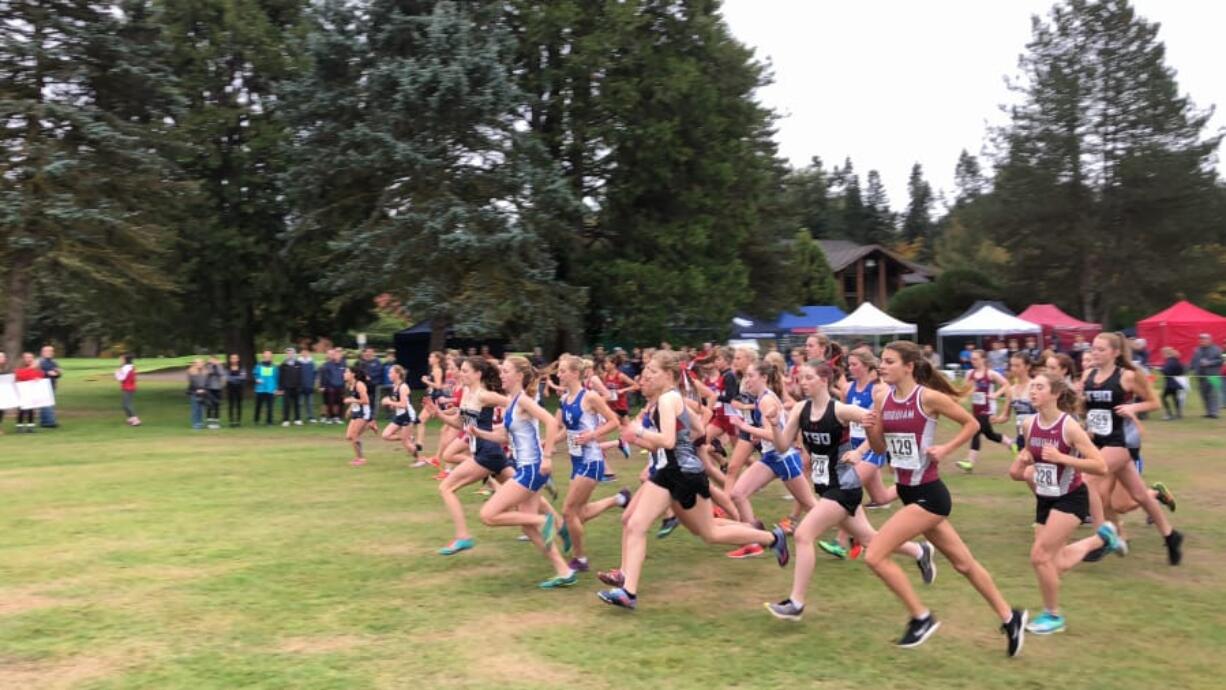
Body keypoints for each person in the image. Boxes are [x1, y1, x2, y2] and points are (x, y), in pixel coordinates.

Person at [865, 341, 1027, 655]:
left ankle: (921, 618)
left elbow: (973, 423)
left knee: (874, 555)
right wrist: (872, 426)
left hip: (929, 496)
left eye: (888, 361)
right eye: (881, 362)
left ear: (908, 366)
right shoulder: (883, 397)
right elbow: (880, 449)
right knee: (965, 565)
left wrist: (945, 449)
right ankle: (1011, 618)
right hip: (908, 492)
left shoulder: (928, 398)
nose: (881, 367)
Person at [596, 350, 790, 611]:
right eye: (646, 370)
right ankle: (626, 585)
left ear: (669, 374)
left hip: (684, 475)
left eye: (652, 371)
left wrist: (640, 431)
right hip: (671, 472)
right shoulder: (670, 400)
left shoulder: (668, 400)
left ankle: (771, 538)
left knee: (706, 532)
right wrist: (641, 438)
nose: (646, 375)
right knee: (636, 523)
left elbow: (667, 441)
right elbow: (697, 429)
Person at [764, 360, 935, 621]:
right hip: (827, 486)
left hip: (845, 486)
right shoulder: (800, 409)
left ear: (824, 380)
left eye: (809, 377)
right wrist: (775, 425)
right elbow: (783, 444)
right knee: (869, 539)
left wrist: (860, 450)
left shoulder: (841, 410)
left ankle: (796, 602)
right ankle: (920, 551)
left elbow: (877, 423)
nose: (803, 382)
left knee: (803, 534)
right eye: (801, 378)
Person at [1009, 372, 1124, 635]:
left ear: (1055, 394)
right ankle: (1101, 539)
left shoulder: (1069, 426)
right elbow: (1017, 472)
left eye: (1039, 387)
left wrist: (1064, 458)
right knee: (1054, 564)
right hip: (1044, 498)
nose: (1033, 392)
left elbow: (1100, 464)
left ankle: (1053, 616)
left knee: (1039, 557)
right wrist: (1023, 462)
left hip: (1071, 497)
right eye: (1032, 387)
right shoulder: (1028, 424)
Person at [475, 356, 579, 588]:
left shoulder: (523, 400)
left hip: (532, 470)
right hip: (528, 469)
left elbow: (552, 422)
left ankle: (543, 519)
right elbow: (503, 435)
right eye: (501, 370)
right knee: (527, 527)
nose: (501, 374)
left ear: (519, 376)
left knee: (488, 515)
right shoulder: (513, 402)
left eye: (505, 371)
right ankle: (564, 572)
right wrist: (479, 433)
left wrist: (548, 457)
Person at [1081, 333, 1183, 564]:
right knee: (1137, 495)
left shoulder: (1127, 376)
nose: (1095, 353)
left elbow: (1154, 402)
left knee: (1086, 481)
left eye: (1101, 349)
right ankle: (1171, 536)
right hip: (1099, 441)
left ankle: (1100, 540)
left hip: (1123, 440)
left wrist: (1133, 408)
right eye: (1093, 348)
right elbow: (1089, 409)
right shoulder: (1088, 375)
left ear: (1115, 352)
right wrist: (1085, 426)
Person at [725, 360, 817, 558]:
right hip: (770, 458)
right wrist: (757, 433)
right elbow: (775, 430)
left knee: (812, 505)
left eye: (751, 376)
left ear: (764, 378)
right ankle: (754, 541)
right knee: (738, 494)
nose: (746, 380)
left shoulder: (766, 400)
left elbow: (772, 434)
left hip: (783, 459)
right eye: (746, 376)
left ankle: (855, 534)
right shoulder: (761, 399)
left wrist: (745, 427)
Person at [557, 355, 632, 573]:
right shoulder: (564, 399)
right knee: (578, 513)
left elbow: (613, 421)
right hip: (576, 460)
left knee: (568, 512)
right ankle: (620, 498)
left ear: (574, 373)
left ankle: (580, 559)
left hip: (591, 461)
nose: (559, 375)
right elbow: (566, 431)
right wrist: (547, 442)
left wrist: (592, 435)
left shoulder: (589, 397)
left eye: (562, 371)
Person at [432, 356, 515, 555]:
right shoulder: (468, 393)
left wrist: (508, 428)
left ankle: (463, 537)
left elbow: (517, 403)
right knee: (522, 491)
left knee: (446, 487)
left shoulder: (485, 395)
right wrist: (440, 414)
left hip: (487, 452)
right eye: (461, 370)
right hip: (487, 452)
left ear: (478, 374)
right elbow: (462, 425)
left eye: (466, 370)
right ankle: (556, 522)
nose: (461, 373)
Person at [956, 350, 1014, 472]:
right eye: (972, 359)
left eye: (976, 359)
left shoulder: (991, 374)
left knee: (975, 430)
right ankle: (1011, 444)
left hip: (988, 409)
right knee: (990, 435)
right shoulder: (970, 374)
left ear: (983, 359)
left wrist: (996, 394)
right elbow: (965, 389)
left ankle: (970, 462)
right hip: (976, 409)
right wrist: (964, 395)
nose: (973, 361)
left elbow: (1006, 384)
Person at [380, 365, 421, 460]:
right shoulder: (395, 386)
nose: (388, 374)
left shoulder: (403, 387)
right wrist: (390, 404)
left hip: (407, 415)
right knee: (386, 435)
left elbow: (403, 404)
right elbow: (397, 403)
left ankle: (420, 459)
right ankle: (408, 438)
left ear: (397, 374)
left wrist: (388, 401)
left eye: (391, 372)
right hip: (399, 415)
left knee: (405, 442)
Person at [342, 366, 376, 466]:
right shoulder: (350, 385)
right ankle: (370, 426)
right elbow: (356, 398)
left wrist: (351, 400)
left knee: (354, 435)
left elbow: (366, 401)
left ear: (353, 374)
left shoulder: (359, 384)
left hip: (364, 413)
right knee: (349, 436)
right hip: (356, 412)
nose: (344, 374)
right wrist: (350, 409)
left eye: (346, 372)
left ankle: (360, 458)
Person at [1191, 333, 1222, 418]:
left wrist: (1209, 363)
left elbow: (1221, 361)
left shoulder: (1217, 349)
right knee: (1204, 394)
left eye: (1204, 339)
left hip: (1214, 375)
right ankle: (1209, 412)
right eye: (1200, 340)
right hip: (1201, 376)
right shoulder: (1197, 350)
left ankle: (1214, 413)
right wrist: (1191, 368)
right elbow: (1193, 361)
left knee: (1213, 394)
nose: (1202, 341)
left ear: (1209, 340)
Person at [14, 352, 45, 432]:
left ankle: (30, 426)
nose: (29, 359)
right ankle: (19, 427)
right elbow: (20, 375)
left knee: (31, 409)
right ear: (23, 359)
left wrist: (38, 378)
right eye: (27, 357)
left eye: (31, 357)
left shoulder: (36, 369)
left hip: (32, 392)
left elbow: (41, 375)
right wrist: (30, 368)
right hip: (22, 392)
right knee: (22, 409)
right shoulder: (19, 368)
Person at [319, 348, 347, 424]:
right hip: (331, 387)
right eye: (335, 354)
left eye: (339, 354)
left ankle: (337, 417)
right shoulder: (328, 364)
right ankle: (330, 417)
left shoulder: (343, 364)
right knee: (330, 403)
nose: (337, 356)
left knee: (338, 403)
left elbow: (345, 375)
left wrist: (345, 384)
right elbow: (325, 376)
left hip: (340, 386)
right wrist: (323, 386)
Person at [37, 345, 61, 428]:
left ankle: (45, 422)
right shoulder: (39, 362)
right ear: (42, 353)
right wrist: (47, 373)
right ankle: (50, 422)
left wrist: (58, 373)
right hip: (41, 386)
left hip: (52, 385)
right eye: (47, 351)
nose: (49, 353)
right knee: (46, 404)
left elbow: (58, 374)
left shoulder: (54, 362)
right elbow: (36, 372)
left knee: (49, 403)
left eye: (51, 351)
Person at [278, 348, 303, 427]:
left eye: (291, 353)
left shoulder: (298, 364)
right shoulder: (283, 365)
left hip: (296, 387)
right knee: (286, 404)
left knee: (297, 404)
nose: (290, 355)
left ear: (294, 354)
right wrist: (280, 388)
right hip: (286, 388)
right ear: (286, 355)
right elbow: (281, 377)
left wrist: (300, 386)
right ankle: (286, 420)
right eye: (288, 353)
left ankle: (297, 419)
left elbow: (301, 376)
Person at [253, 351, 278, 425]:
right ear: (263, 356)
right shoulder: (259, 365)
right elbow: (254, 374)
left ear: (271, 357)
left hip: (270, 389)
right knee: (258, 406)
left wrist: (276, 388)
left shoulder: (274, 366)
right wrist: (257, 379)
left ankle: (269, 421)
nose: (267, 357)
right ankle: (256, 420)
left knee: (270, 407)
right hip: (260, 389)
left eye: (269, 356)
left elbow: (276, 378)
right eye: (266, 356)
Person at [1160, 347, 1185, 420]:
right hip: (1176, 382)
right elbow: (1181, 370)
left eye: (1163, 353)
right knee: (1175, 398)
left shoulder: (1169, 361)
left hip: (1171, 383)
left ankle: (1169, 413)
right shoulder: (1176, 361)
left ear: (1166, 354)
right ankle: (1178, 413)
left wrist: (1161, 370)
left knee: (1163, 397)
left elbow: (1166, 371)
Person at [114, 355, 140, 426]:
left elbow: (121, 378)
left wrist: (117, 372)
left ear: (125, 360)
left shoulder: (126, 368)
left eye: (121, 360)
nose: (120, 361)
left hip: (128, 388)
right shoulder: (131, 367)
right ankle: (131, 418)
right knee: (125, 405)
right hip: (129, 387)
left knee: (127, 404)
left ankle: (135, 419)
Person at [186, 359, 209, 430]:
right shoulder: (191, 372)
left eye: (201, 363)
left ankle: (200, 423)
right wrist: (197, 390)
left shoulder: (205, 372)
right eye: (198, 363)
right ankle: (195, 424)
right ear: (195, 364)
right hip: (194, 392)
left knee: (201, 409)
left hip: (203, 392)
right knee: (195, 409)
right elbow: (192, 383)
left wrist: (204, 389)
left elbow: (207, 383)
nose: (200, 364)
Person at [225, 354, 247, 427]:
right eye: (232, 358)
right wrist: (237, 378)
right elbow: (226, 377)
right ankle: (231, 421)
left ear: (238, 359)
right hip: (230, 389)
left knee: (238, 405)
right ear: (230, 360)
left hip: (239, 388)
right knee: (231, 405)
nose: (234, 360)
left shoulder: (242, 368)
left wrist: (232, 378)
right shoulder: (227, 367)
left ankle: (238, 421)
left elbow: (243, 377)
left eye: (235, 358)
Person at [204, 356, 224, 430]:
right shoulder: (208, 366)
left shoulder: (220, 366)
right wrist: (212, 365)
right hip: (209, 388)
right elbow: (209, 372)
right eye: (212, 360)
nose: (213, 361)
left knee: (217, 405)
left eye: (215, 360)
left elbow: (221, 373)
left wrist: (218, 365)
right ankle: (209, 422)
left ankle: (216, 422)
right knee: (209, 405)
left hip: (218, 388)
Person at [298, 350, 318, 423]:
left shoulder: (312, 363)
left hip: (310, 386)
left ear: (308, 354)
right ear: (301, 354)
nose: (305, 354)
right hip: (301, 386)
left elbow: (315, 374)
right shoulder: (298, 363)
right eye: (303, 352)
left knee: (310, 403)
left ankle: (311, 417)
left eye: (306, 352)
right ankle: (299, 418)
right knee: (300, 403)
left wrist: (315, 383)